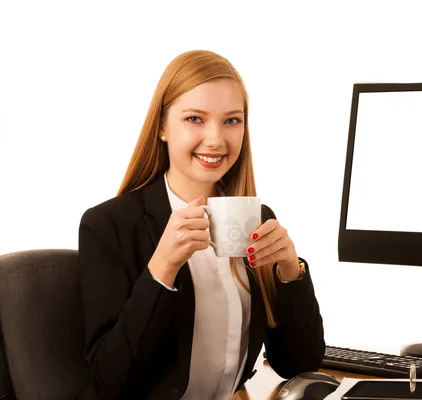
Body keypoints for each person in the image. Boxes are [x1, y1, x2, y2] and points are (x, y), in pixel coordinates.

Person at [77, 50, 325, 399]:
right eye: (195, 119)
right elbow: (110, 382)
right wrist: (161, 269)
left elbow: (298, 364)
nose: (215, 139)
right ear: (162, 126)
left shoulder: (256, 219)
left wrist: (289, 272)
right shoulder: (108, 225)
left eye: (231, 120)